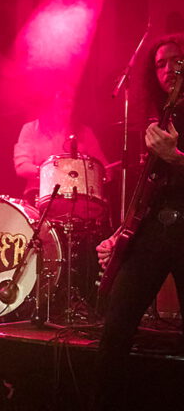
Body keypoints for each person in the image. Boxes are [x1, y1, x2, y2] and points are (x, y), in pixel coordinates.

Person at [94, 33, 184, 409]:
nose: (168, 69)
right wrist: (122, 233)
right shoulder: (162, 116)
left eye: (176, 60)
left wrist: (176, 157)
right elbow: (149, 188)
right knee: (115, 326)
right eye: (160, 64)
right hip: (155, 230)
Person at [14, 88, 108, 206]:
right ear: (50, 105)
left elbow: (105, 169)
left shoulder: (85, 132)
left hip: (78, 199)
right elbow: (22, 167)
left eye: (70, 100)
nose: (67, 102)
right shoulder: (31, 129)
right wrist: (51, 172)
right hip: (39, 195)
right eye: (62, 99)